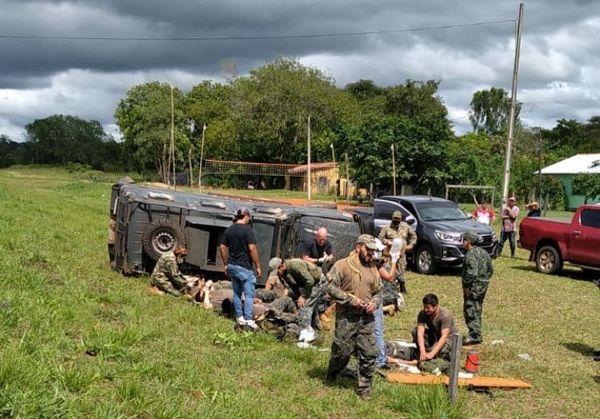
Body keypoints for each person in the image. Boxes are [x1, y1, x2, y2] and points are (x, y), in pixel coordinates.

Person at [325, 234, 382, 400]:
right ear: (358, 247)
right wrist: (350, 299)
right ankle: (333, 371)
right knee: (342, 351)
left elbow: (379, 291)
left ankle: (364, 388)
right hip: (347, 317)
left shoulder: (373, 268)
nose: (371, 253)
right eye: (368, 249)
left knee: (370, 353)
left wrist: (374, 303)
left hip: (366, 318)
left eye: (373, 250)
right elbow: (329, 287)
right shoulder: (342, 265)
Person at [219, 207, 262, 331]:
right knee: (249, 294)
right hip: (244, 267)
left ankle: (239, 317)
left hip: (232, 266)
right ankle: (248, 319)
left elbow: (222, 247)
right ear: (247, 216)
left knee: (237, 293)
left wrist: (226, 264)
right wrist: (258, 266)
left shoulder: (229, 230)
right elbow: (252, 248)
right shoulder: (247, 230)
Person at [268, 257, 323, 332]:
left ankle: (305, 334)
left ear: (281, 266)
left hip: (316, 283)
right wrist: (299, 296)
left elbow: (310, 281)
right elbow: (294, 286)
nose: (277, 275)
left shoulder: (295, 265)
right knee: (306, 305)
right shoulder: (284, 273)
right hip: (306, 284)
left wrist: (303, 296)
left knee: (305, 306)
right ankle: (317, 328)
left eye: (277, 272)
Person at [462, 230, 493, 345]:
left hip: (473, 287)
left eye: (464, 240)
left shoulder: (470, 254)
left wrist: (466, 285)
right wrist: (484, 281)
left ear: (469, 241)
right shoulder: (484, 252)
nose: (463, 242)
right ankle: (477, 332)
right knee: (477, 308)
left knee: (470, 310)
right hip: (483, 286)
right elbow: (490, 269)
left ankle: (475, 335)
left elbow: (472, 273)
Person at [372, 238, 400, 368]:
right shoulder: (375, 264)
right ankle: (380, 359)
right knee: (378, 330)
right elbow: (390, 277)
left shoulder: (366, 262)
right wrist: (394, 260)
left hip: (366, 298)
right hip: (374, 300)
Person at [378, 211, 417, 293]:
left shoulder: (405, 226)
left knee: (401, 270)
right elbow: (380, 237)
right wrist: (386, 242)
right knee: (390, 270)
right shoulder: (386, 227)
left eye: (398, 219)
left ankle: (402, 286)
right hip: (390, 254)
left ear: (400, 219)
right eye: (394, 218)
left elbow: (413, 236)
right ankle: (390, 287)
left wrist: (410, 245)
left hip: (401, 253)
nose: (396, 220)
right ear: (392, 218)